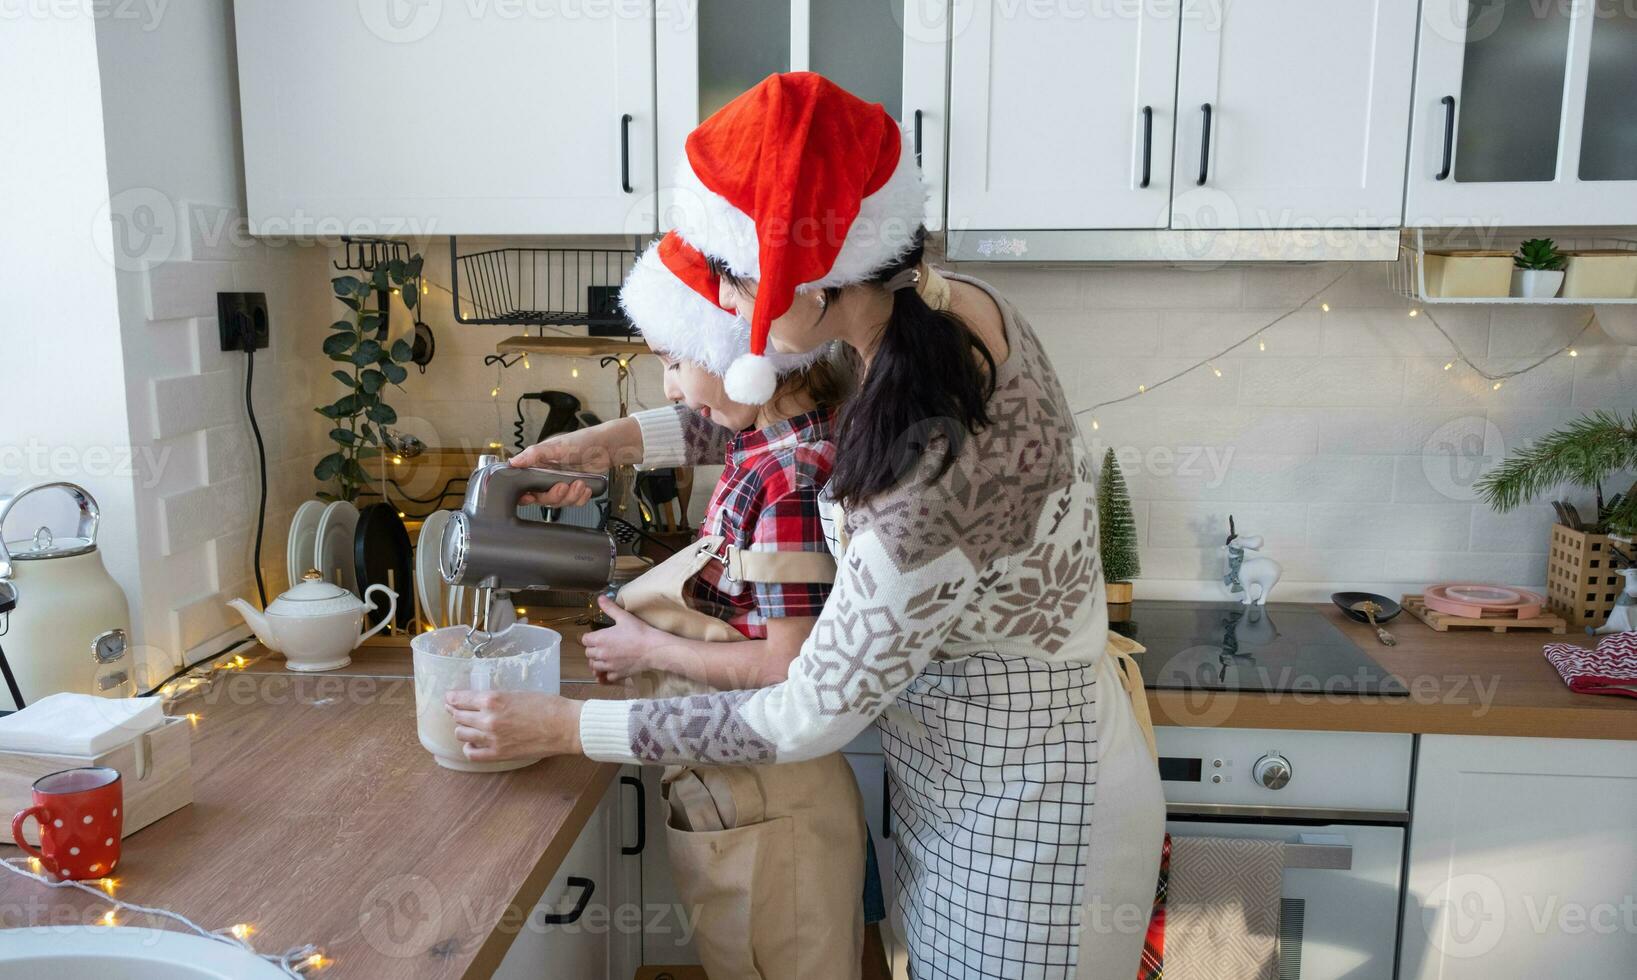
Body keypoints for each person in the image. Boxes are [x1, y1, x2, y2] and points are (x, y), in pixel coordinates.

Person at [447, 72, 1164, 979]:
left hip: (1034, 812)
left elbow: (800, 712)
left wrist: (565, 727)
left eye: (737, 282)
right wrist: (610, 444)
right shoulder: (923, 308)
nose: (732, 315)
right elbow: (789, 400)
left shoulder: (924, 465)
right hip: (957, 776)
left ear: (813, 286)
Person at [596, 230, 885, 978]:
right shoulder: (768, 440)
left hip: (771, 796)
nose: (667, 388)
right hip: (746, 785)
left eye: (672, 361)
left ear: (736, 350)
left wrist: (647, 649)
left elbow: (785, 662)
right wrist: (587, 451)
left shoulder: (788, 478)